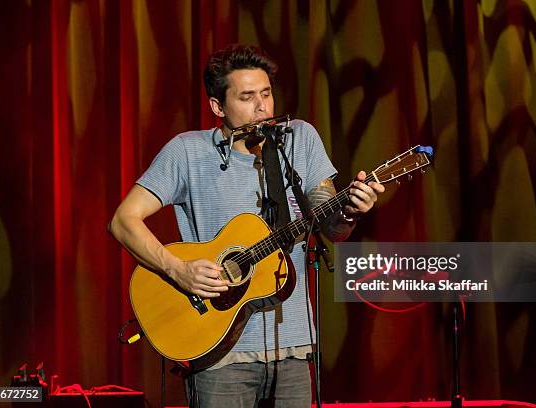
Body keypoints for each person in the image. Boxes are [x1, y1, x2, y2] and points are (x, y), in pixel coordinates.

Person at [109, 44, 384, 407]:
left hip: (294, 346)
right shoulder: (187, 152)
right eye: (247, 97)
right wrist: (178, 270)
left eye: (267, 94)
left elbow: (329, 225)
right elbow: (123, 220)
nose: (262, 107)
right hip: (218, 352)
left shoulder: (298, 139)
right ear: (217, 107)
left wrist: (349, 210)